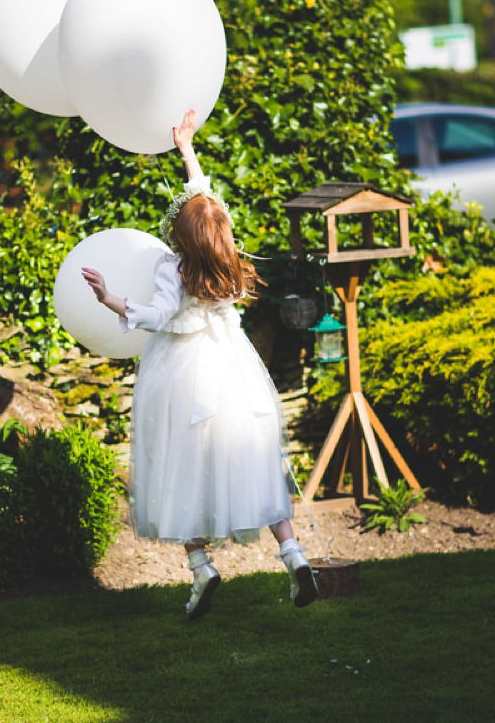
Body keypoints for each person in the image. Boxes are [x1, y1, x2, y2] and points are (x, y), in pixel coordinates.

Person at [82, 109, 317, 621]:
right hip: (230, 366)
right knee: (253, 457)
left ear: (181, 236)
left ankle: (200, 565)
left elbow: (159, 315)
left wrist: (111, 301)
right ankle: (293, 554)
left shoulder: (176, 265)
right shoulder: (227, 259)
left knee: (177, 464)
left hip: (182, 373)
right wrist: (186, 149)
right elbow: (207, 204)